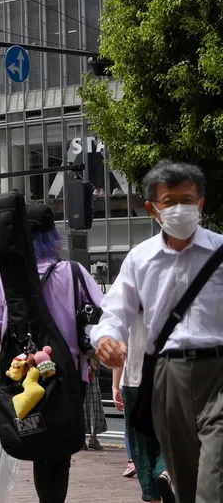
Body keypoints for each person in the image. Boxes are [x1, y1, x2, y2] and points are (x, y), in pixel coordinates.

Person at [93, 160, 223, 503]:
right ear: (153, 209)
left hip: (219, 371)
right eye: (170, 201)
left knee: (214, 478)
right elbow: (115, 311)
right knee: (185, 480)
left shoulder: (219, 251)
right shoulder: (140, 259)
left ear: (201, 204)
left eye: (187, 200)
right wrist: (105, 338)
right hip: (167, 375)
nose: (180, 208)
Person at [0, 202, 105, 503]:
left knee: (38, 442)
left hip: (24, 374)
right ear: (52, 236)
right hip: (69, 375)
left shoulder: (3, 279)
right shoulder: (73, 272)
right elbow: (102, 316)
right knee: (59, 448)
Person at [113, 312, 171, 502]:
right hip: (167, 376)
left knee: (140, 444)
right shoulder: (168, 296)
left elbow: (119, 346)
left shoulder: (129, 301)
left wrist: (115, 386)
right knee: (170, 435)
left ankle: (152, 496)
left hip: (134, 379)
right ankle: (164, 471)